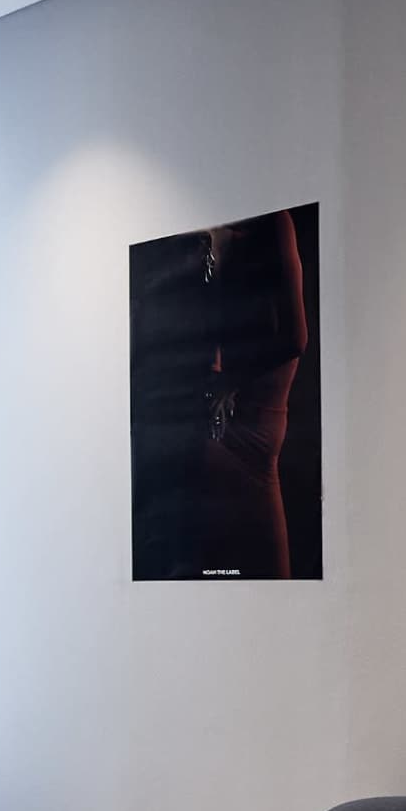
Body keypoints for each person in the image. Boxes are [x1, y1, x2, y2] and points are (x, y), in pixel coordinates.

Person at [131, 207, 314, 579]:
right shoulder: (199, 241)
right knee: (221, 566)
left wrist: (230, 381)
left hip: (248, 415)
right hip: (219, 418)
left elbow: (296, 336)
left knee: (252, 565)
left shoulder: (271, 222)